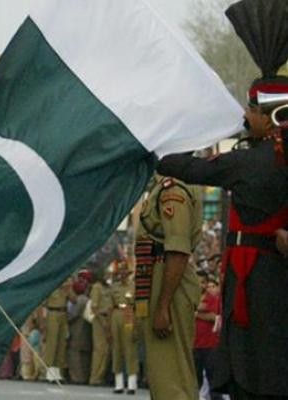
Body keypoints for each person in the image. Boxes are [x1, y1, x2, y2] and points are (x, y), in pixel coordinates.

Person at [157, 2, 288, 398]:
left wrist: (156, 146)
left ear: (271, 115)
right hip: (278, 271)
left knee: (251, 357)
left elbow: (190, 168)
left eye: (252, 109)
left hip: (253, 274)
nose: (246, 115)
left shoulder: (250, 162)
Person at [135, 175, 202, 400]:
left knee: (171, 377)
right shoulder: (161, 185)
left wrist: (163, 306)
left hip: (169, 282)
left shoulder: (173, 188)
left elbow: (178, 250)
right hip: (160, 277)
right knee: (162, 373)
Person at [109, 263, 139, 395]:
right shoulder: (114, 287)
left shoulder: (134, 287)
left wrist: (137, 325)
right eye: (120, 272)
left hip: (129, 314)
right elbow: (110, 306)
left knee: (130, 348)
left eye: (124, 272)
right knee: (117, 348)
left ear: (128, 273)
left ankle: (132, 384)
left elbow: (138, 306)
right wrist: (108, 326)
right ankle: (119, 384)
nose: (122, 274)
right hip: (116, 314)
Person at [194, 277, 221, 400]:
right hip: (194, 344)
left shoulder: (212, 298)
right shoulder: (192, 297)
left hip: (210, 344)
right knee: (195, 378)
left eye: (203, 282)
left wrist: (196, 313)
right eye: (198, 281)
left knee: (212, 377)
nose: (200, 284)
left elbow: (214, 317)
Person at [42, 280, 71, 383]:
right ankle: (49, 373)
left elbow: (74, 300)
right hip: (52, 313)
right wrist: (43, 322)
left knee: (61, 344)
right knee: (52, 343)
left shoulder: (66, 287)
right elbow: (43, 305)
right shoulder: (51, 286)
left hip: (63, 314)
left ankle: (57, 372)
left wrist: (68, 289)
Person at [88, 272, 112, 386]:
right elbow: (94, 308)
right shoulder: (97, 288)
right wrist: (103, 323)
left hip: (109, 318)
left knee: (106, 350)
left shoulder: (108, 287)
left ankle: (100, 376)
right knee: (99, 349)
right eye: (106, 274)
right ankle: (95, 377)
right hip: (100, 319)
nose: (108, 276)